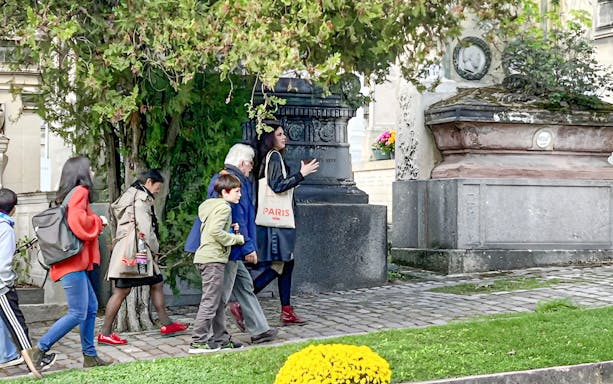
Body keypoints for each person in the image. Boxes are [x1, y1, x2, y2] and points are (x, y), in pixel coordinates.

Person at [24, 156, 109, 369]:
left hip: (72, 262)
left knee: (90, 307)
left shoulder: (68, 195)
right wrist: (99, 221)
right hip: (72, 262)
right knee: (78, 312)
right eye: (90, 169)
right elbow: (78, 222)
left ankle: (90, 356)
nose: (93, 173)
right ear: (81, 172)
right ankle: (38, 349)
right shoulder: (80, 192)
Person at [100, 170, 187, 345]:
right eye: (157, 187)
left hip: (126, 250)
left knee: (155, 283)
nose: (157, 191)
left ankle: (166, 324)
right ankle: (105, 333)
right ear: (149, 182)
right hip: (135, 251)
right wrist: (156, 249)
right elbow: (146, 230)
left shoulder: (130, 196)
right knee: (122, 290)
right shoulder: (141, 199)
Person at [207, 144, 278, 344]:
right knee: (221, 293)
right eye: (250, 164)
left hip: (231, 247)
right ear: (243, 162)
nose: (251, 169)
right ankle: (213, 336)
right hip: (229, 248)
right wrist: (247, 247)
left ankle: (260, 329)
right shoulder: (234, 181)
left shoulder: (224, 179)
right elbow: (237, 216)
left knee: (244, 286)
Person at [253, 122, 319, 324]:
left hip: (276, 221)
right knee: (280, 264)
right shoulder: (274, 157)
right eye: (279, 134)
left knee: (286, 264)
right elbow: (277, 186)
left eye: (284, 134)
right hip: (276, 223)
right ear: (269, 138)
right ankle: (243, 300)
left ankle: (287, 310)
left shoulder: (271, 157)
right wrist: (301, 175)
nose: (284, 137)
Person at [189, 173, 245, 354]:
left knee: (218, 301)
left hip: (207, 258)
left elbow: (212, 229)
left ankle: (220, 337)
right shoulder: (224, 208)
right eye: (236, 191)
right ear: (225, 192)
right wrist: (236, 238)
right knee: (210, 302)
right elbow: (215, 232)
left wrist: (230, 229)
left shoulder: (212, 206)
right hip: (213, 260)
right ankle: (198, 341)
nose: (240, 195)